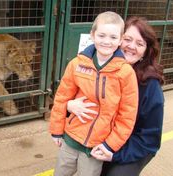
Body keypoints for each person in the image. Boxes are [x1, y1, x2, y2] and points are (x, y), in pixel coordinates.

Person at [68, 16, 165, 176]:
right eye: (127, 39)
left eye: (140, 43)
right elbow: (67, 94)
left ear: (145, 52)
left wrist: (114, 154)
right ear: (119, 39)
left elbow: (150, 140)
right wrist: (69, 106)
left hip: (134, 145)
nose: (131, 46)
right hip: (103, 135)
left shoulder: (150, 86)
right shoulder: (95, 64)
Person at [49, 11, 139, 176]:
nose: (106, 41)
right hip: (70, 138)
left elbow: (127, 115)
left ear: (120, 40)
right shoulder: (77, 64)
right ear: (92, 35)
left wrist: (110, 145)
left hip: (96, 147)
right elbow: (62, 97)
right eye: (102, 35)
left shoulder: (125, 73)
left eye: (113, 37)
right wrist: (56, 129)